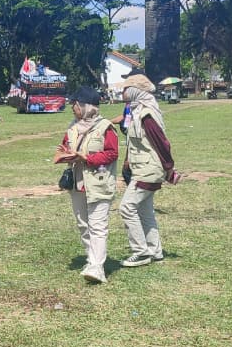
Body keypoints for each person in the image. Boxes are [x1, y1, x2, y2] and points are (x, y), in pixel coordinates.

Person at [55, 86, 119, 283]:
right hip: (78, 183)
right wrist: (65, 154)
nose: (73, 108)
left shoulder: (105, 127)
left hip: (98, 182)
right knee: (83, 224)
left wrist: (86, 157)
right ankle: (91, 258)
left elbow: (111, 153)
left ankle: (97, 266)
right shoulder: (73, 128)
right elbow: (65, 146)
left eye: (75, 104)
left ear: (85, 106)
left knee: (98, 225)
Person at [117, 73, 178, 267]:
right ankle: (155, 250)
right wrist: (128, 161)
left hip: (149, 170)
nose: (122, 92)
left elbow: (162, 143)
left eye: (126, 89)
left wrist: (169, 169)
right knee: (145, 210)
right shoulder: (136, 110)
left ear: (135, 90)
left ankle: (141, 252)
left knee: (126, 207)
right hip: (141, 168)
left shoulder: (146, 114)